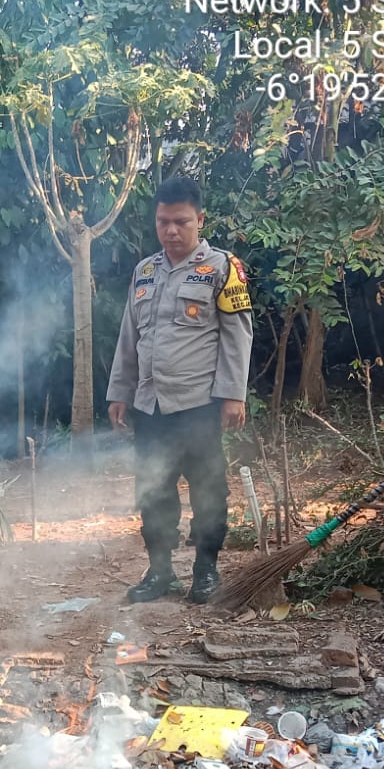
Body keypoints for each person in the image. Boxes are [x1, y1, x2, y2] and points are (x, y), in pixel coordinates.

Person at [105, 175, 253, 605]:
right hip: (150, 406)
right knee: (153, 488)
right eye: (163, 222)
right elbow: (128, 336)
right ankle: (160, 572)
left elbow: (237, 336)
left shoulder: (223, 269)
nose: (171, 231)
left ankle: (205, 571)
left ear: (200, 220)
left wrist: (233, 395)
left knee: (208, 490)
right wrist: (120, 391)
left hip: (198, 405)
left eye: (181, 222)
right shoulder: (145, 271)